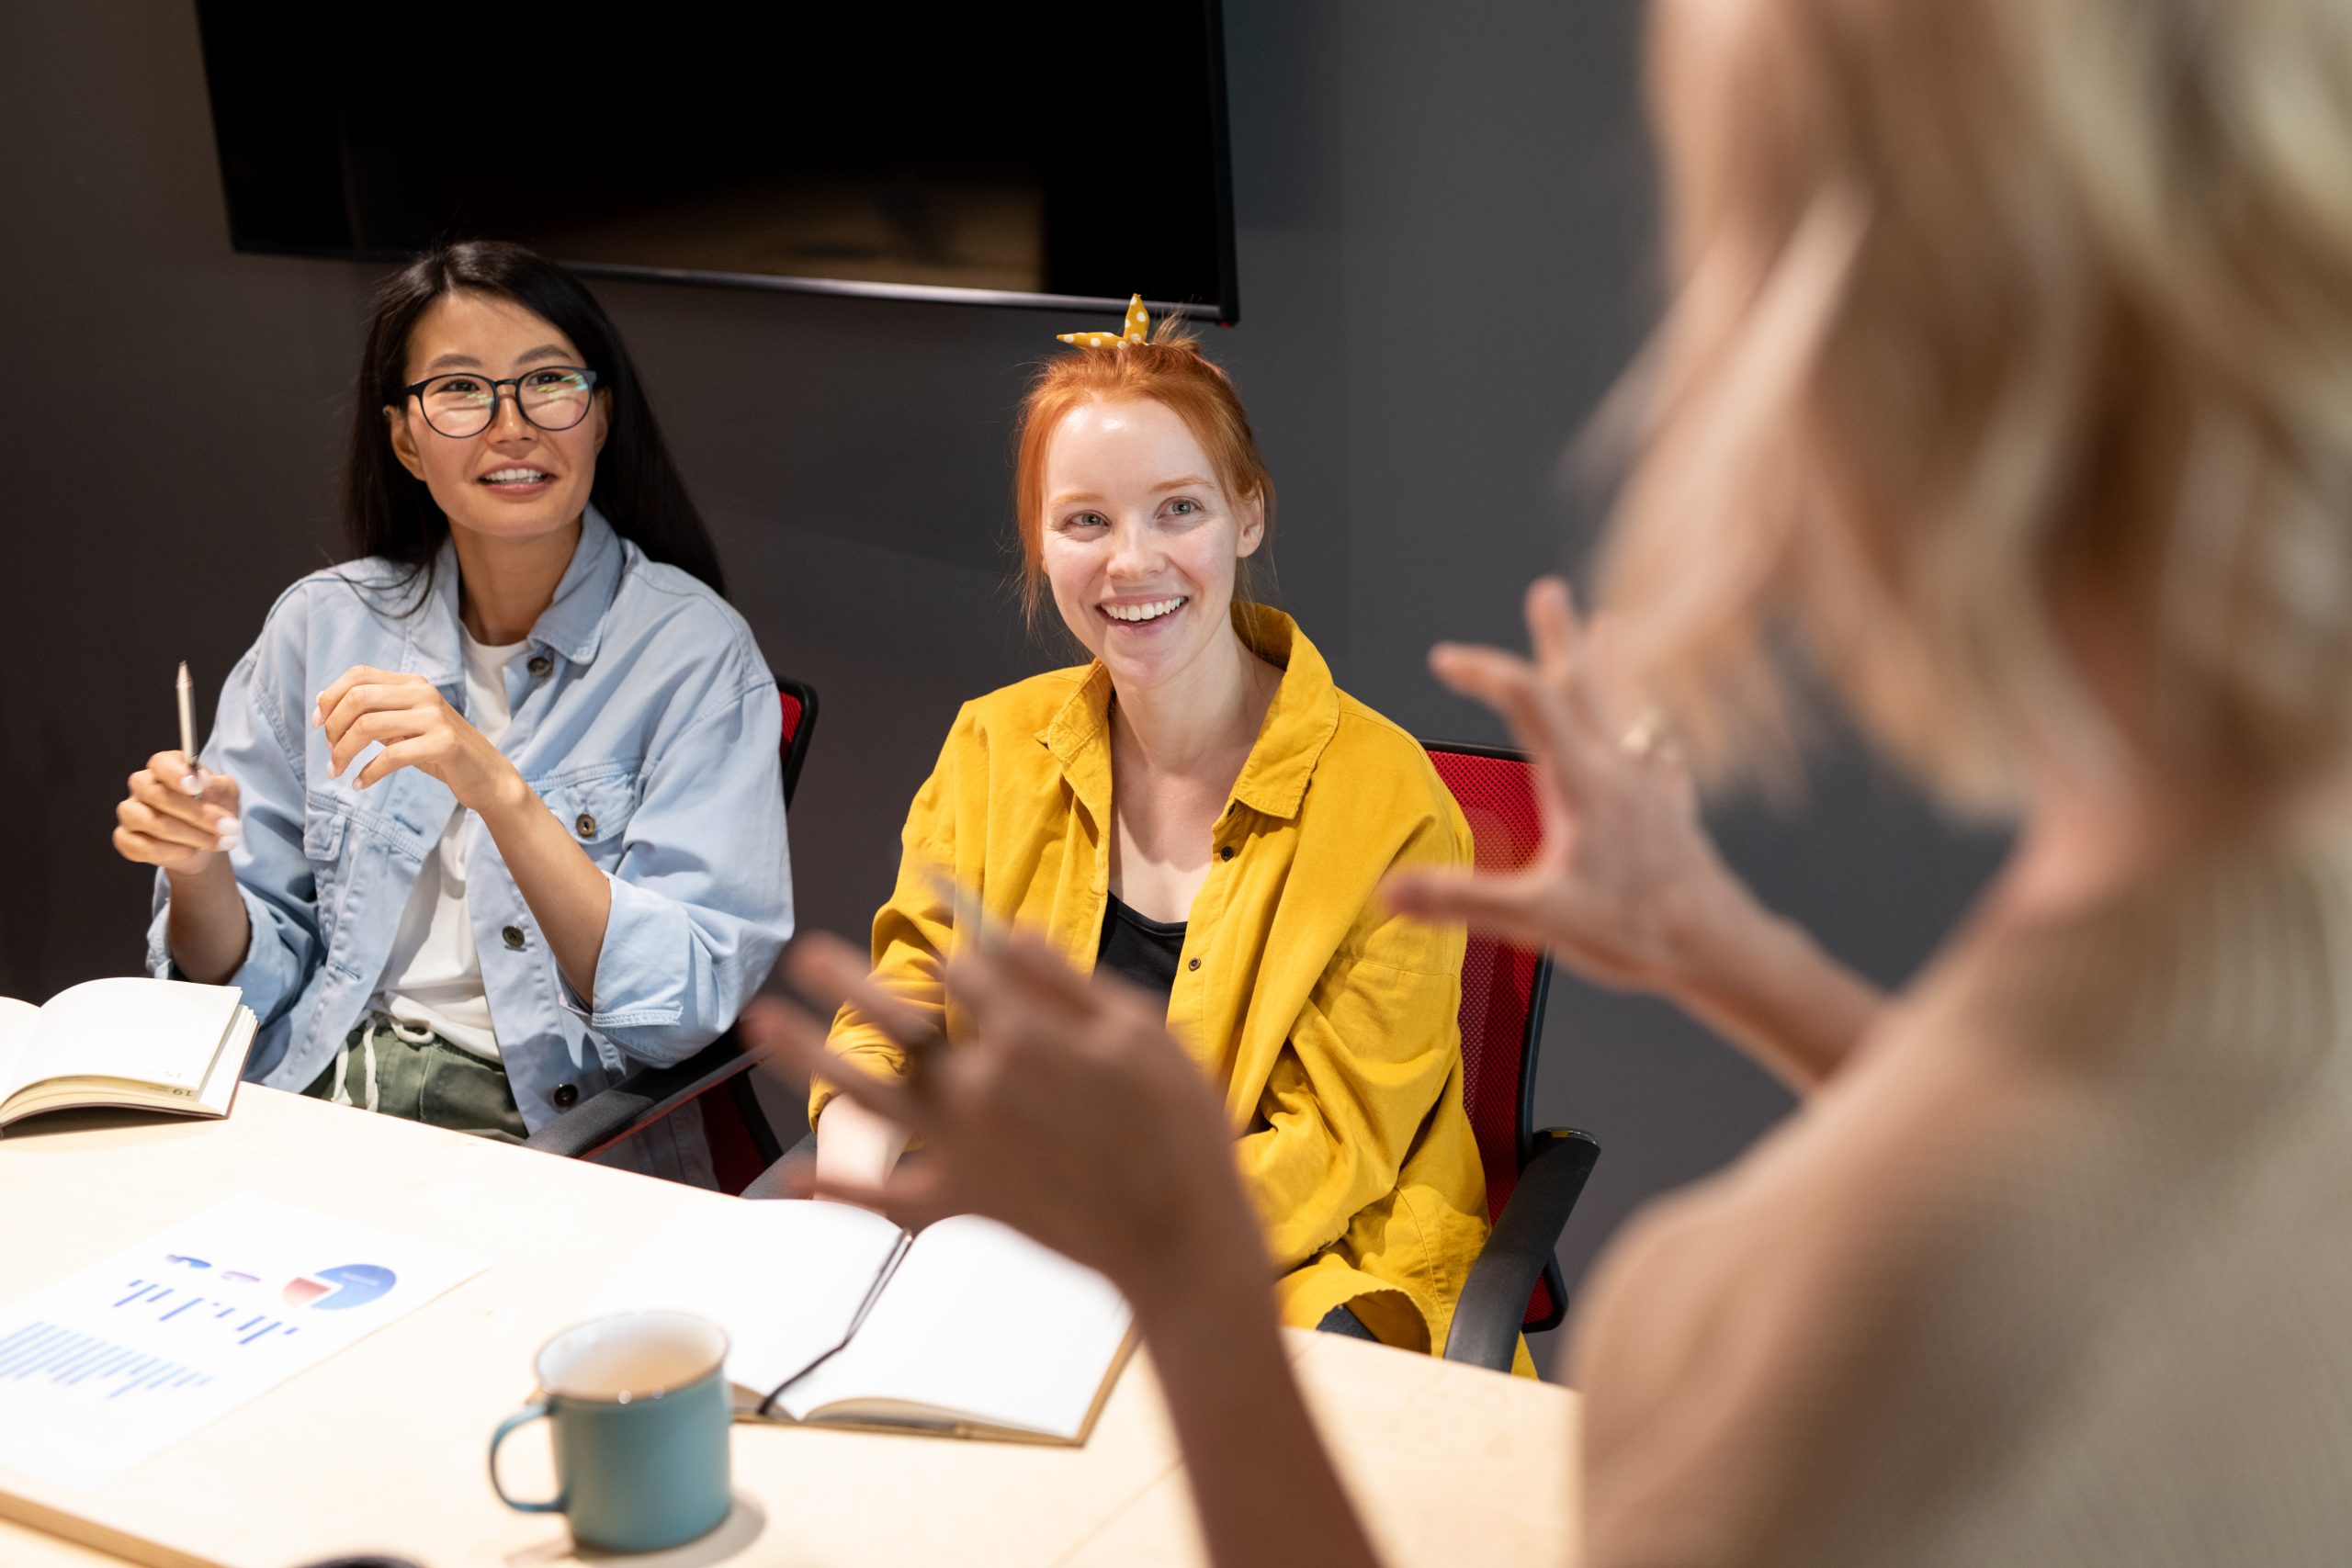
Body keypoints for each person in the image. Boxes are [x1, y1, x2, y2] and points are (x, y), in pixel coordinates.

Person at [758, 0, 2352, 1562]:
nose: (1128, 563)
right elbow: (2092, 1191)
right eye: (1083, 522)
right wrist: (1743, 960)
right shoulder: (2274, 969)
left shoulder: (1766, 1340)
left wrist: (1178, 1265)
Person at [753, 300, 1506, 1361]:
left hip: (1287, 1278)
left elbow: (1335, 1151)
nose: (1131, 563)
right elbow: (902, 1013)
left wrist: (1068, 1248)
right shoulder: (991, 746)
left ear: (1248, 518)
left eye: (1178, 510)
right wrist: (849, 1219)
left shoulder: (1389, 801)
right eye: (1085, 521)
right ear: (1040, 544)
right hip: (1005, 1256)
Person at [113, 242, 791, 1185]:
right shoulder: (324, 622)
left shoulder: (696, 654)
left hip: (542, 1135)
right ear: (404, 438)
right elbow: (242, 987)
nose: (511, 427)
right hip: (313, 1090)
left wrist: (494, 786)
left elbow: (682, 1006)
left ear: (598, 416)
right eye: (461, 391)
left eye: (548, 383)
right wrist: (197, 872)